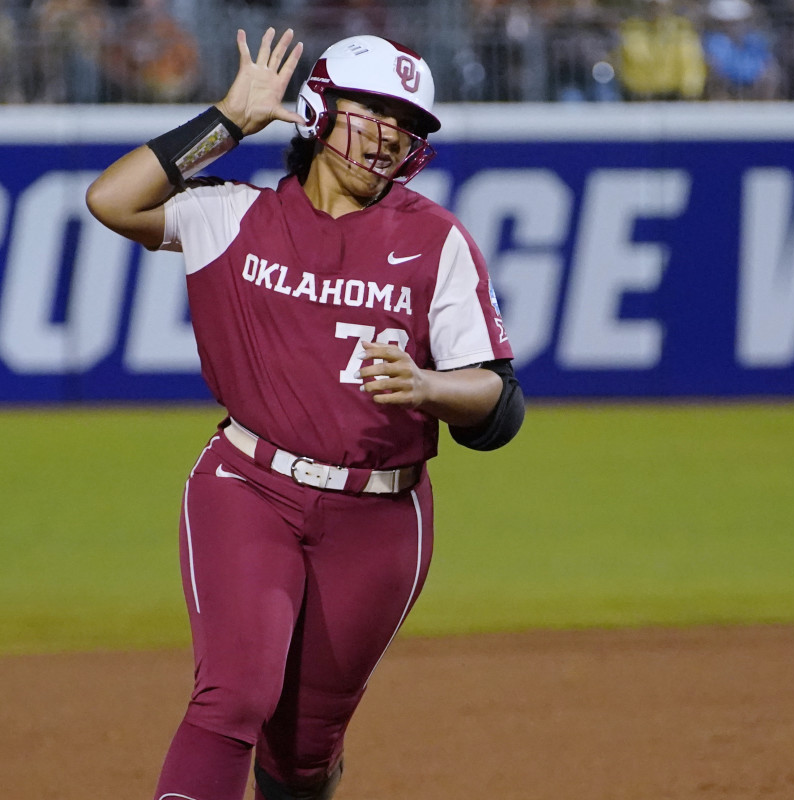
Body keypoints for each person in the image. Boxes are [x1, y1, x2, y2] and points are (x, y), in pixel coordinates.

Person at [86, 27, 524, 799]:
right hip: (247, 488)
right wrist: (224, 120)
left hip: (379, 520)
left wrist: (429, 387)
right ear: (319, 107)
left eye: (409, 123)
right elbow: (111, 199)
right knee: (234, 695)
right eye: (375, 108)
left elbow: (497, 396)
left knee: (302, 750)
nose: (391, 134)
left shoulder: (437, 241)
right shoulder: (232, 218)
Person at [614, 0, 707, 101]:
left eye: (659, 5)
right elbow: (623, 62)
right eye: (652, 4)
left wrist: (691, 91)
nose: (656, 9)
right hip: (639, 98)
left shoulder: (681, 29)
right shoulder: (631, 29)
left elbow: (690, 63)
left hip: (674, 97)